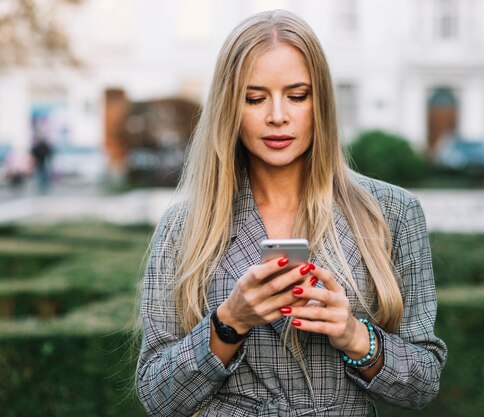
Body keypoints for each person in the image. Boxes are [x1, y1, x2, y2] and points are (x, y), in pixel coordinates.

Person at [136, 9, 447, 417]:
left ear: (322, 104)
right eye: (255, 98)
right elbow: (157, 395)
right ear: (230, 108)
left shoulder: (391, 212)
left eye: (297, 96)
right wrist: (228, 323)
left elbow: (423, 384)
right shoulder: (185, 226)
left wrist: (355, 336)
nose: (277, 115)